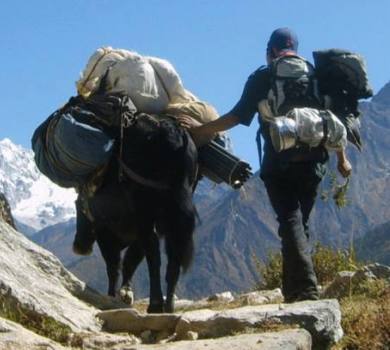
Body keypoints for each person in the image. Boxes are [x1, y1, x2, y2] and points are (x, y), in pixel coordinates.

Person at [178, 27, 352, 302]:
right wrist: (343, 158)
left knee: (290, 221)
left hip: (279, 162)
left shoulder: (264, 76)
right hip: (314, 162)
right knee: (299, 224)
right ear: (295, 47)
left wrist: (201, 130)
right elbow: (333, 119)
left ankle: (306, 291)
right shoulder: (317, 76)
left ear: (271, 51)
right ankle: (292, 291)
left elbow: (236, 116)